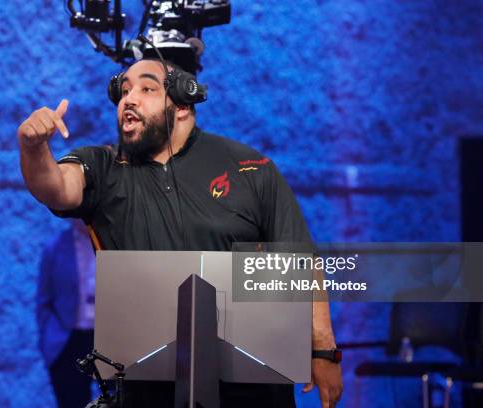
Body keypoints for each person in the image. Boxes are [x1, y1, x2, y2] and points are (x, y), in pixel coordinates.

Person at [19, 58, 343, 407]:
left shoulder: (251, 168)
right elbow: (55, 187)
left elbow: (298, 262)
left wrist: (324, 351)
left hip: (254, 388)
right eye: (124, 91)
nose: (129, 99)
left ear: (183, 103)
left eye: (146, 89)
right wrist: (33, 148)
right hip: (150, 392)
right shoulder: (104, 168)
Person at [36, 220, 97, 407]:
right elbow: (44, 301)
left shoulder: (111, 242)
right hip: (69, 341)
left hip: (108, 337)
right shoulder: (55, 247)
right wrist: (48, 345)